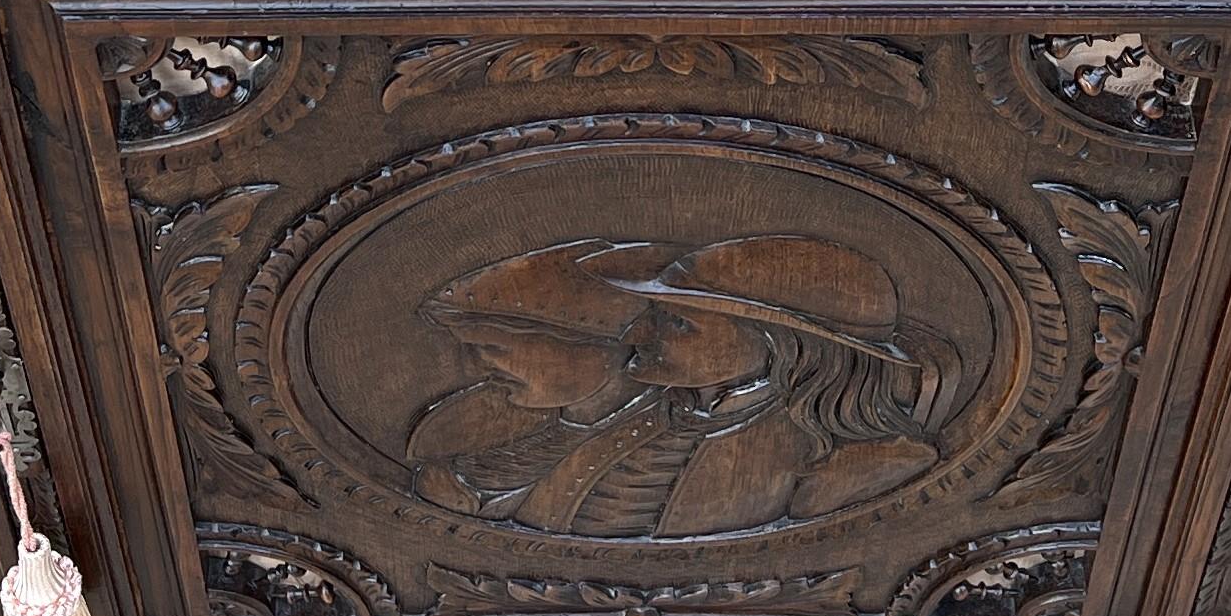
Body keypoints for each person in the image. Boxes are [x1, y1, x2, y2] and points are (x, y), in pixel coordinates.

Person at [408, 231, 965, 537]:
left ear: (777, 344)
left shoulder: (868, 465)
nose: (638, 332)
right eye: (651, 312)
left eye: (676, 322)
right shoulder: (652, 411)